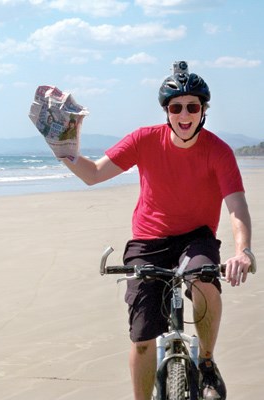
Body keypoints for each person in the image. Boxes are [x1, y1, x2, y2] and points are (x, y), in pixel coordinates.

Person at [58, 61, 253, 400]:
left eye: (192, 106)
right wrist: (62, 146)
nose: (184, 114)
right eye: (176, 107)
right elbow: (92, 174)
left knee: (204, 281)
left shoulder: (218, 151)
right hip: (147, 241)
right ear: (167, 111)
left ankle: (206, 362)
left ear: (203, 110)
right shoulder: (144, 140)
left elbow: (237, 206)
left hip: (196, 239)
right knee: (144, 340)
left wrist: (243, 251)